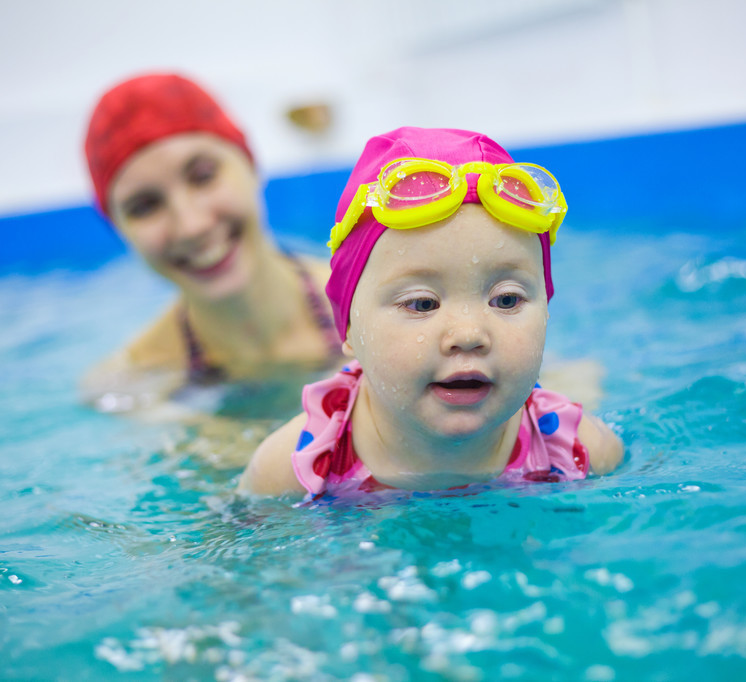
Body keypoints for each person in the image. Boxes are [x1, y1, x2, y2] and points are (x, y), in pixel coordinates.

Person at [239, 127, 624, 498]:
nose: (469, 333)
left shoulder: (581, 452)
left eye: (506, 300)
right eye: (422, 303)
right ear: (351, 329)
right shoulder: (296, 469)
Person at [80, 73, 343, 417]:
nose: (190, 226)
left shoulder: (374, 306)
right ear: (120, 231)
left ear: (250, 166)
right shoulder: (130, 385)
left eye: (203, 176)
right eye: (145, 206)